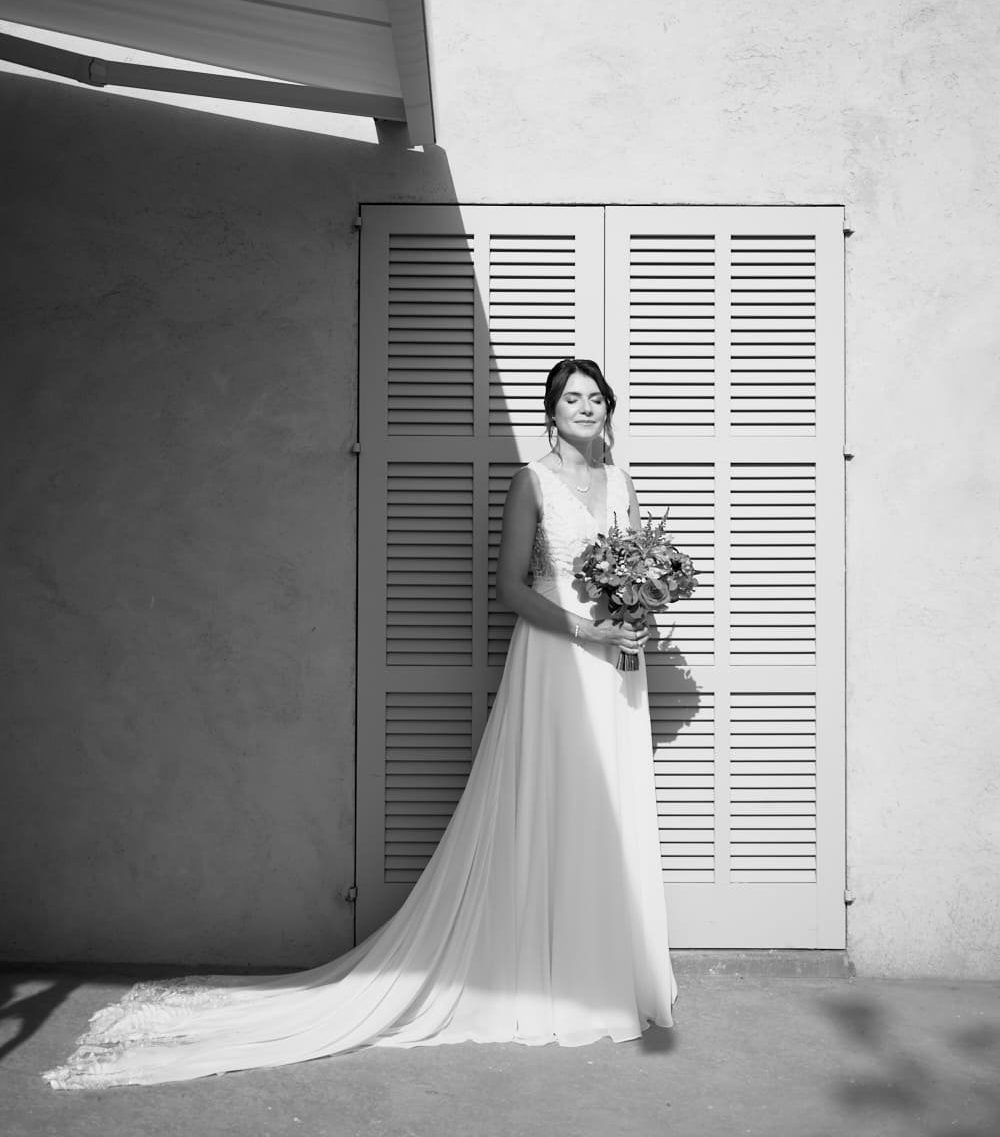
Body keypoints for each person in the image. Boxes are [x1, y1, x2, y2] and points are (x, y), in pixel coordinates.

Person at [45, 359, 675, 1089]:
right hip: (556, 663)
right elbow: (508, 587)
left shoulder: (622, 485)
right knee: (554, 806)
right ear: (550, 411)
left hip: (615, 672)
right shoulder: (529, 482)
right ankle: (547, 969)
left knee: (611, 811)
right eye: (573, 398)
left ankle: (608, 968)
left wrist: (636, 613)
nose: (586, 408)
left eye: (596, 398)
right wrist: (587, 630)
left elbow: (638, 576)